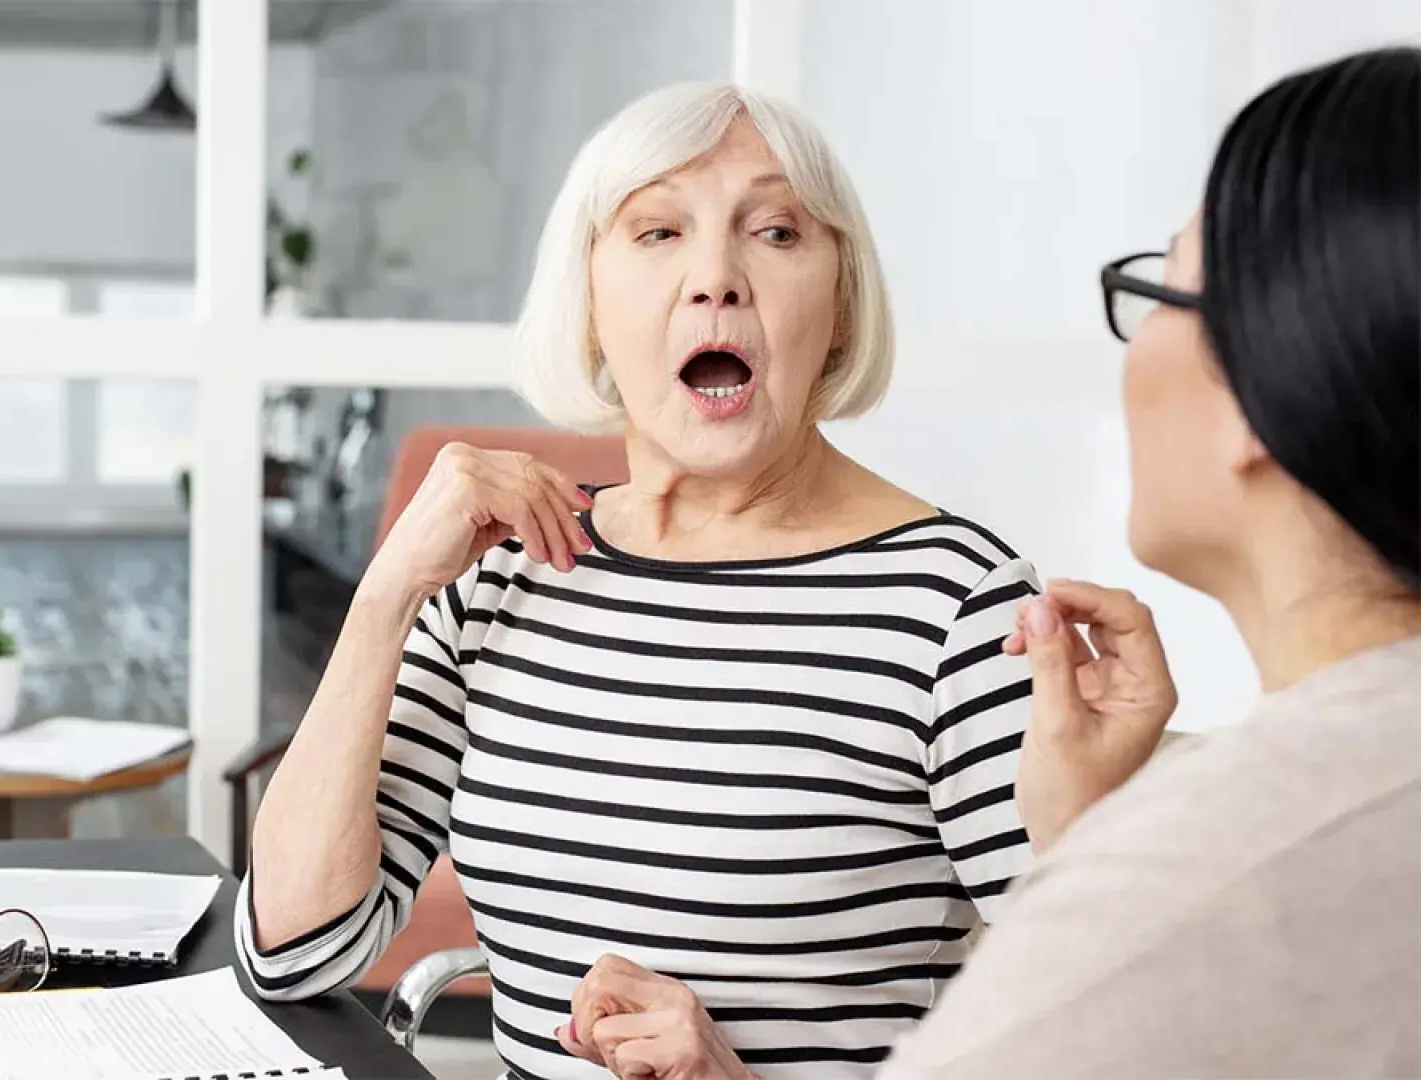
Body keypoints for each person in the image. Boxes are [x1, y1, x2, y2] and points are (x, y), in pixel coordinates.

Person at [562, 46, 1421, 1079]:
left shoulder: (1240, 845)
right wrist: (1085, 839)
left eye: (1163, 290)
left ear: (1262, 389)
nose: (714, 282)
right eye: (657, 232)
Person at [234, 81, 1042, 1078]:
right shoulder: (497, 582)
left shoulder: (958, 607)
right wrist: (388, 592)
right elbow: (294, 946)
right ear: (587, 309)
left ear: (837, 307)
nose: (717, 278)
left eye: (777, 233)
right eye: (658, 233)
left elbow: (1125, 1022)